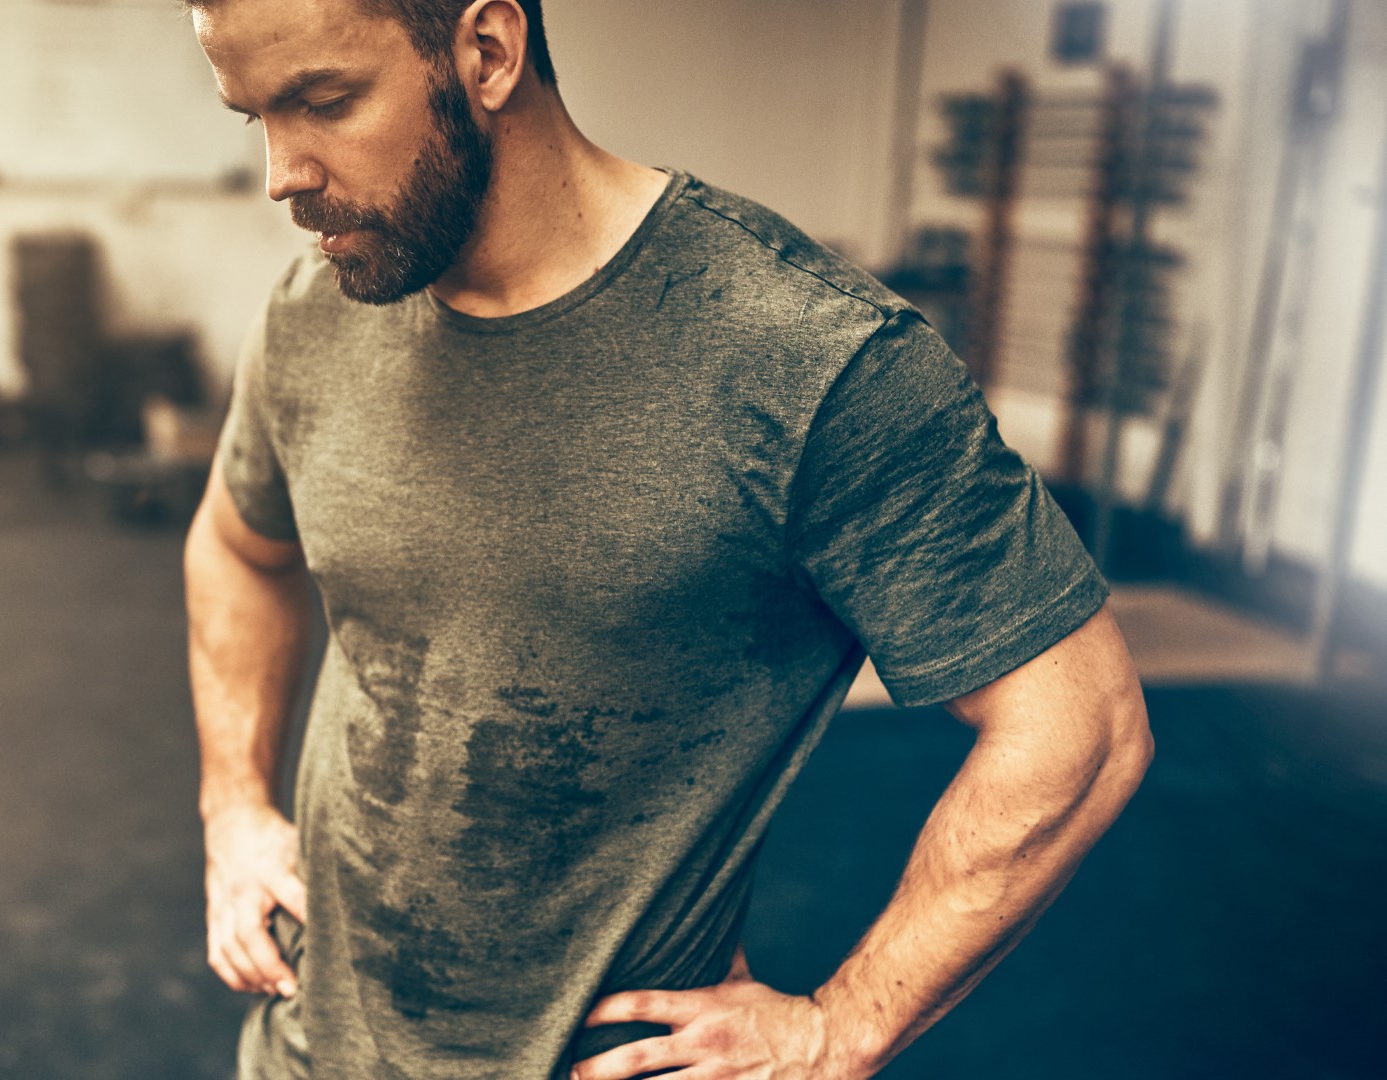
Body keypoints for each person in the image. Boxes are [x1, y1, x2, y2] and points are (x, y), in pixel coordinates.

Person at [180, 1, 1155, 1077]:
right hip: (306, 1049)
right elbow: (237, 546)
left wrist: (842, 1026)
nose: (283, 173)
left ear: (489, 52)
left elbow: (1081, 724)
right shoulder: (319, 308)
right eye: (252, 114)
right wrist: (234, 802)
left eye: (323, 101)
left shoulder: (808, 358)